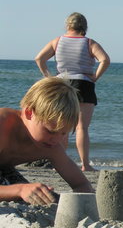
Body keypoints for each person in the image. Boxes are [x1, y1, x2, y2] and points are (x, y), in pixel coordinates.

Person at [35, 12, 110, 171]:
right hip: (84, 83)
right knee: (82, 127)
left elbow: (39, 58)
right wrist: (95, 76)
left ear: (67, 25)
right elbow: (105, 60)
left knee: (62, 126)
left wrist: (49, 77)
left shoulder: (57, 41)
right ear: (84, 26)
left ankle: (60, 162)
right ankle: (85, 164)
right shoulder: (89, 43)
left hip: (62, 83)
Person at [0, 77, 93, 205]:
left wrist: (85, 205)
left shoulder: (51, 146)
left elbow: (81, 184)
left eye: (63, 133)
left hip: (5, 169)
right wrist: (21, 190)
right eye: (51, 131)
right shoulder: (3, 125)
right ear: (29, 112)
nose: (56, 140)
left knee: (48, 198)